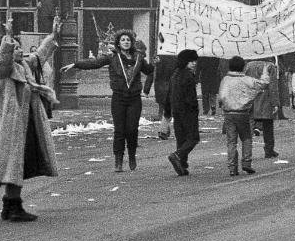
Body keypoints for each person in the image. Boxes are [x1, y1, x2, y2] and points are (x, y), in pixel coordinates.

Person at [0, 17, 61, 222]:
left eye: (20, 48)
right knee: (13, 162)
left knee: (19, 162)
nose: (21, 51)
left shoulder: (24, 66)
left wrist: (53, 35)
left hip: (26, 122)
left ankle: (10, 204)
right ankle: (13, 206)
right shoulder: (1, 68)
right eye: (17, 48)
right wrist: (8, 37)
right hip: (11, 125)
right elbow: (3, 59)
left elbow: (40, 55)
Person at [61, 31, 155, 172]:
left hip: (134, 99)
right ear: (118, 43)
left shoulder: (139, 58)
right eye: (123, 40)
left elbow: (149, 71)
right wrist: (76, 64)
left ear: (132, 42)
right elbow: (95, 63)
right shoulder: (112, 57)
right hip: (118, 98)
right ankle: (118, 160)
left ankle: (131, 155)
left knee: (132, 129)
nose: (126, 42)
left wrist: (156, 62)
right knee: (119, 130)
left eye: (128, 40)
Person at [217, 56, 271, 176]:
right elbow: (264, 84)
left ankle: (232, 167)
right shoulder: (246, 80)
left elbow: (221, 96)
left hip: (228, 114)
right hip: (243, 113)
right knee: (246, 138)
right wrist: (265, 71)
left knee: (231, 141)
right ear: (243, 67)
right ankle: (246, 162)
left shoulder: (225, 80)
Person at [167, 49, 200, 176]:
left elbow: (170, 93)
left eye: (195, 60)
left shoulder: (175, 74)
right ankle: (178, 156)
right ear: (185, 61)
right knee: (193, 138)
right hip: (188, 111)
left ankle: (182, 164)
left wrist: (168, 110)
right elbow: (191, 97)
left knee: (181, 138)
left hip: (176, 110)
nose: (194, 63)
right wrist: (194, 109)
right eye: (191, 61)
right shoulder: (188, 75)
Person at [245, 59, 280, 159]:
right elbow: (273, 86)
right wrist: (275, 103)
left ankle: (247, 151)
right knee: (268, 125)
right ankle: (269, 149)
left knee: (249, 125)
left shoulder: (248, 65)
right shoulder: (270, 66)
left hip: (252, 97)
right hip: (265, 98)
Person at [144, 54, 177, 139]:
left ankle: (165, 130)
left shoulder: (158, 59)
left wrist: (146, 89)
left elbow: (151, 74)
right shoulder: (175, 59)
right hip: (171, 88)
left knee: (165, 110)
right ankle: (163, 131)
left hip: (159, 88)